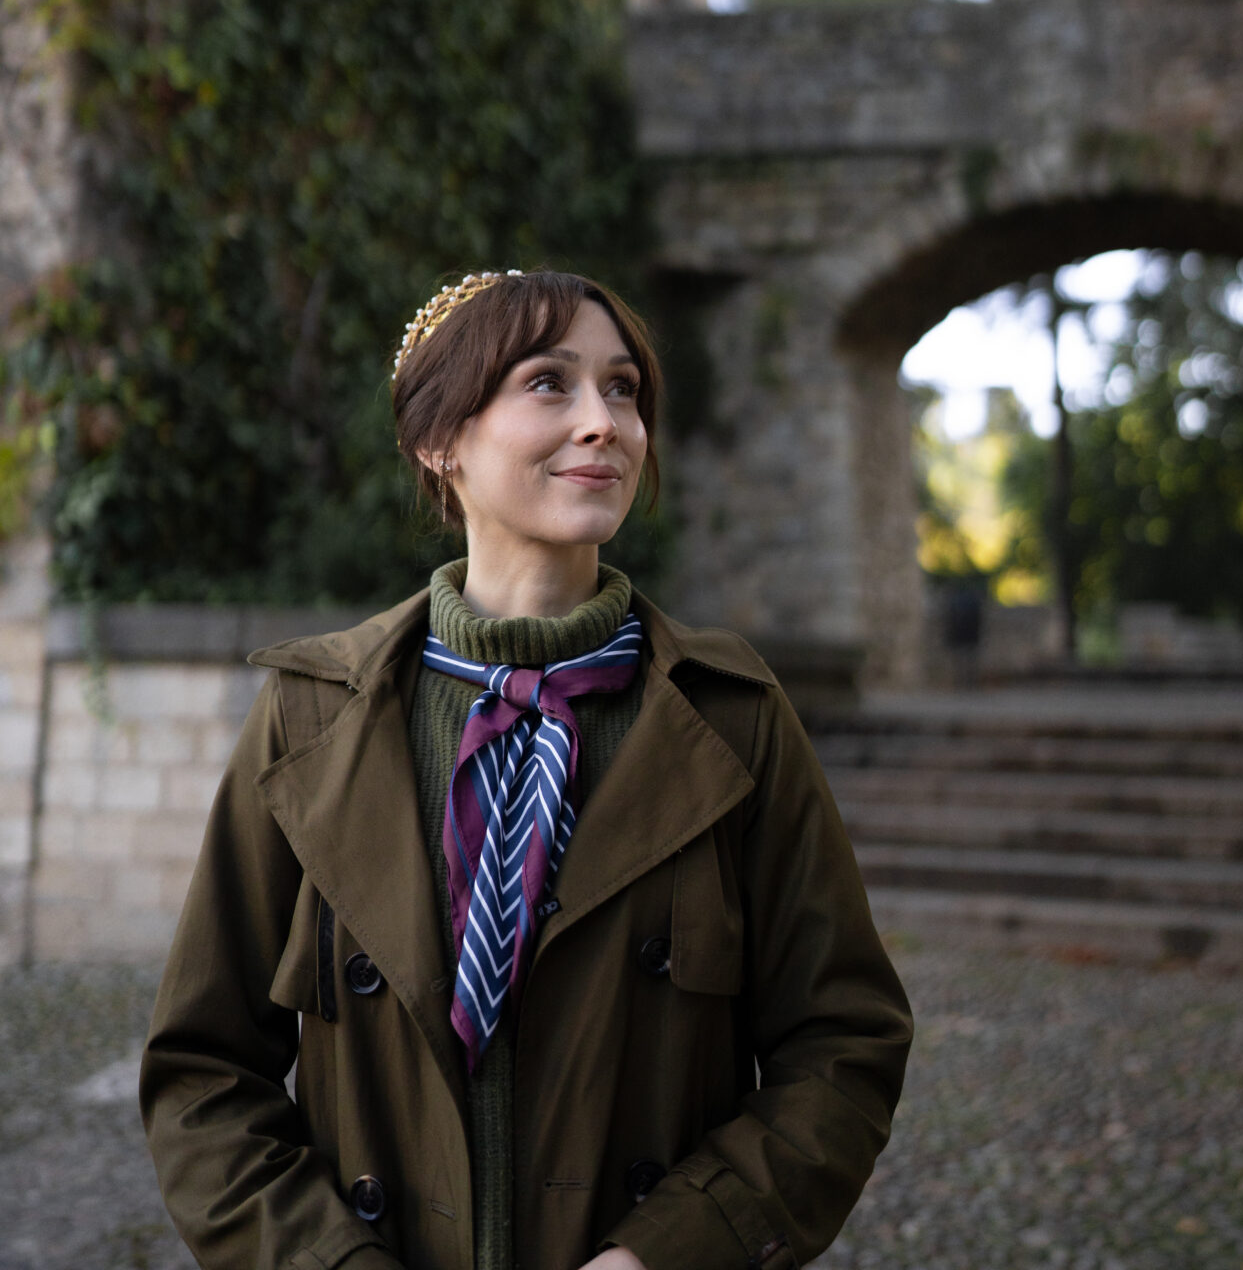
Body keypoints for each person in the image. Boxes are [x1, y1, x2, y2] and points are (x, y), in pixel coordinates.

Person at [141, 268, 912, 1270]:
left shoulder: (730, 717)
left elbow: (843, 1044)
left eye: (623, 388)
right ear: (438, 439)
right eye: (549, 383)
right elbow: (203, 1071)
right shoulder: (307, 716)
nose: (604, 422)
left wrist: (669, 1253)